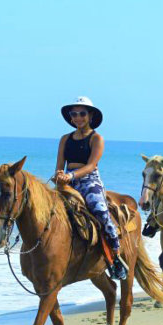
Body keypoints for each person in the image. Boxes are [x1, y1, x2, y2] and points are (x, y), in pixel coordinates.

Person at [54, 96, 127, 280]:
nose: (78, 117)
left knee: (100, 210)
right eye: (74, 114)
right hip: (66, 181)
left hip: (89, 180)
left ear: (90, 115)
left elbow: (91, 165)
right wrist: (59, 176)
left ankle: (116, 254)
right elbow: (59, 164)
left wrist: (70, 175)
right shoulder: (65, 139)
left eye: (82, 113)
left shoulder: (96, 138)